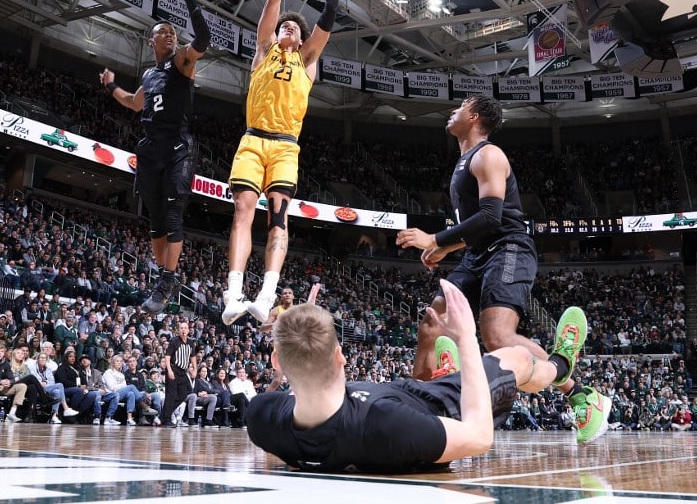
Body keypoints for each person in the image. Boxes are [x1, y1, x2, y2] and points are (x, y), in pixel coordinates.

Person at [396, 94, 609, 444]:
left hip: (508, 248)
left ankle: (581, 394)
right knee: (432, 322)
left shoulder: (489, 154)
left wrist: (435, 237)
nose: (453, 111)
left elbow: (493, 218)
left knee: (497, 337)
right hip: (477, 254)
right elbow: (478, 226)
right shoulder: (463, 161)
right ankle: (420, 409)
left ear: (475, 115)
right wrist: (445, 246)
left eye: (460, 106)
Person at [246, 280, 590, 473]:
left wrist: (303, 322)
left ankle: (447, 372)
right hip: (442, 408)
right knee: (515, 360)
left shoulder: (261, 417)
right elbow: (480, 436)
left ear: (277, 361)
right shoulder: (382, 424)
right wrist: (467, 338)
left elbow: (290, 386)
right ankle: (563, 367)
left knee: (422, 379)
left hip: (400, 396)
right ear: (341, 356)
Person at [223, 0, 340, 325]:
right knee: (243, 210)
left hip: (286, 146)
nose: (287, 27)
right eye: (283, 26)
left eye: (293, 27)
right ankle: (233, 292)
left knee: (278, 216)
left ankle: (266, 294)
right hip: (253, 140)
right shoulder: (263, 50)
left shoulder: (307, 60)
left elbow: (331, 12)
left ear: (302, 39)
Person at [100, 0, 209, 314]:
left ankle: (167, 280)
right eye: (163, 33)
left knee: (174, 213)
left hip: (178, 145)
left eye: (172, 33)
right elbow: (134, 103)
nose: (170, 36)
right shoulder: (149, 74)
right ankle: (163, 275)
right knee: (156, 220)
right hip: (150, 149)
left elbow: (203, 39)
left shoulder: (181, 64)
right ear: (151, 41)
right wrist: (110, 86)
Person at [161, 319, 194, 427]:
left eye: (185, 328)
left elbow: (193, 357)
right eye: (181, 328)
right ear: (178, 331)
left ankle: (163, 415)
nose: (183, 330)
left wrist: (195, 369)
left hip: (183, 372)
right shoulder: (175, 341)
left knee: (183, 394)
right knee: (171, 395)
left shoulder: (190, 342)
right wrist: (169, 370)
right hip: (173, 369)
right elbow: (167, 356)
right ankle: (166, 420)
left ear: (188, 330)